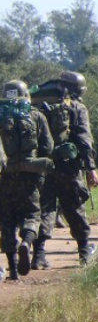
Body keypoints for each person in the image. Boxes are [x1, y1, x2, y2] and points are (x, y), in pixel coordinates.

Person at [34, 71, 98, 267]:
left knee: (45, 210)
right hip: (68, 167)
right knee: (75, 207)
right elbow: (84, 140)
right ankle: (84, 251)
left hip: (42, 166)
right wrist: (91, 168)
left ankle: (38, 255)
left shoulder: (36, 107)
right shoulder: (77, 108)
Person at [0, 80, 53, 281]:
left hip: (5, 178)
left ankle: (13, 270)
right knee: (32, 214)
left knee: (6, 220)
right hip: (30, 177)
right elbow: (47, 147)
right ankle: (27, 242)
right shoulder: (36, 116)